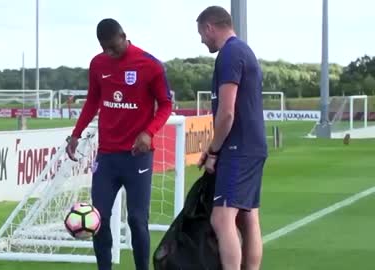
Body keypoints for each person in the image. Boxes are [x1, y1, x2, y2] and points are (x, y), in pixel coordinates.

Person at [66, 18, 173, 270]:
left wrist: (149, 132)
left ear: (124, 36)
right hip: (107, 157)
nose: (110, 53)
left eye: (114, 47)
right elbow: (93, 101)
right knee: (98, 218)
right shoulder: (98, 63)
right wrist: (76, 133)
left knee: (137, 220)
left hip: (138, 156)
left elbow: (166, 104)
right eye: (105, 48)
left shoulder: (150, 65)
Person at [196, 6, 267, 270]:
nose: (202, 40)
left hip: (238, 148)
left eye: (201, 34)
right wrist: (213, 150)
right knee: (247, 218)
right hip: (251, 146)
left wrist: (214, 152)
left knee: (222, 219)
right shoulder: (243, 51)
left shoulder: (229, 54)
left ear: (209, 27)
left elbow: (226, 113)